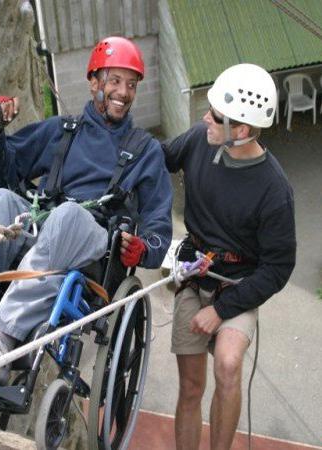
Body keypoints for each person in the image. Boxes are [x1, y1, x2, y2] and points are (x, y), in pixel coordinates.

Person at [0, 36, 173, 385]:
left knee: (68, 216)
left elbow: (158, 224)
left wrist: (145, 249)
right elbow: (2, 171)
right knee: (0, 199)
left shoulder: (146, 151)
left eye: (131, 85)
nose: (124, 92)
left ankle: (2, 340)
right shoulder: (63, 131)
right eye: (115, 81)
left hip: (92, 245)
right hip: (42, 227)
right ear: (93, 82)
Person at [162, 63, 296, 450]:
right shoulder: (199, 142)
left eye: (216, 116)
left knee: (228, 364)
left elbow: (277, 268)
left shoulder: (274, 190)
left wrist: (222, 310)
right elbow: (160, 158)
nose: (205, 117)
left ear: (240, 131)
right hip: (196, 273)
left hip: (241, 284)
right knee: (190, 386)